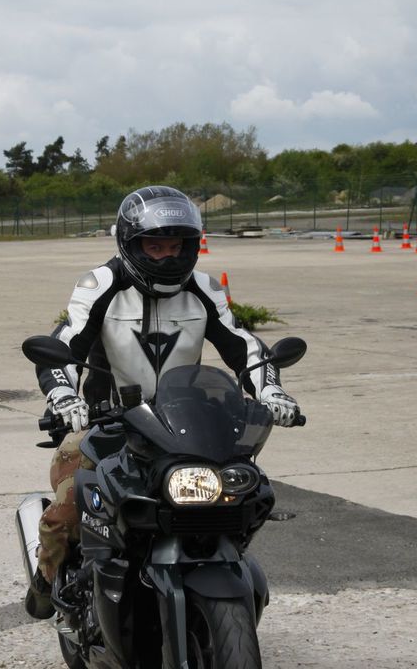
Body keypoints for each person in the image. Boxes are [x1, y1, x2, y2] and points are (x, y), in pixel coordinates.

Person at [25, 185, 300, 619]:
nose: (167, 257)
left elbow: (243, 346)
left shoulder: (204, 289)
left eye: (176, 246)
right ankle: (46, 579)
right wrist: (63, 394)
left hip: (181, 425)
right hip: (107, 424)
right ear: (131, 244)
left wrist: (271, 391)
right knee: (66, 513)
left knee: (244, 494)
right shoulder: (101, 284)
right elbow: (67, 342)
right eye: (155, 246)